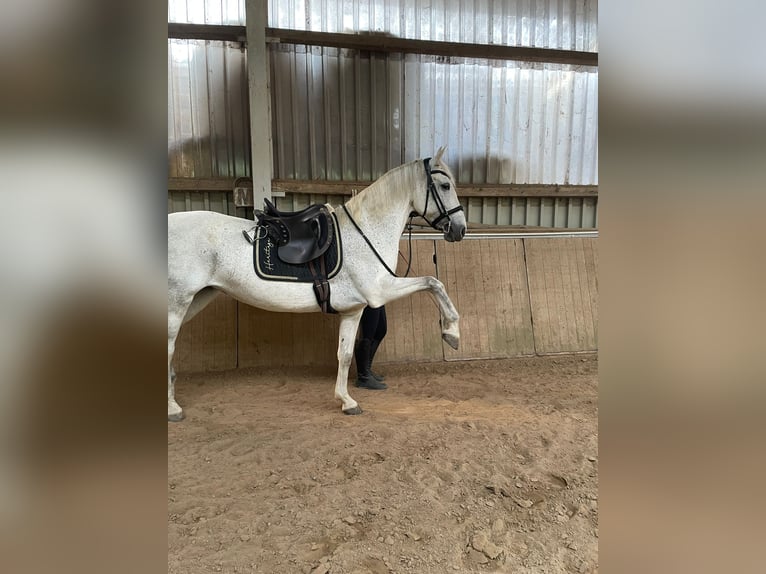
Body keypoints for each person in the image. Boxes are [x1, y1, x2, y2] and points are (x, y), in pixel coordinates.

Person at [355, 305, 388, 390]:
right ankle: (363, 377)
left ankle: (366, 369)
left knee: (381, 330)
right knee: (368, 333)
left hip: (378, 294)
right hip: (368, 295)